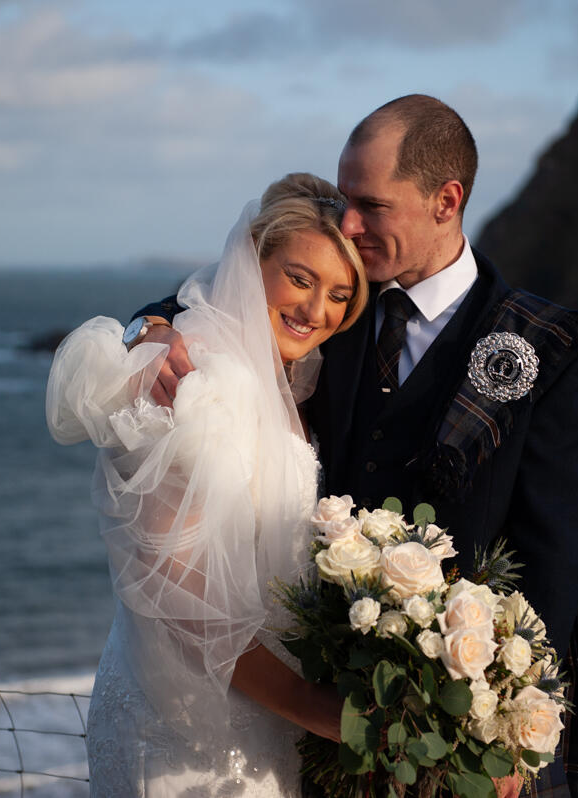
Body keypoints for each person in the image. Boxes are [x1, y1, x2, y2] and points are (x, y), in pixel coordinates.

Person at [137, 96, 578, 798]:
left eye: (371, 205)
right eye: (345, 201)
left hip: (450, 737)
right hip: (311, 726)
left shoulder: (552, 351)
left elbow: (552, 561)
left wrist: (520, 732)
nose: (349, 223)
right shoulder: (330, 307)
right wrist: (146, 331)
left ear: (445, 200)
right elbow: (210, 305)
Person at [46, 173, 368, 797]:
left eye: (338, 293)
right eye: (299, 279)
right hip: (189, 731)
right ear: (252, 258)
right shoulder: (201, 379)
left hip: (261, 711)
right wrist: (319, 712)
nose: (315, 310)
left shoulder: (289, 382)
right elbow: (185, 597)